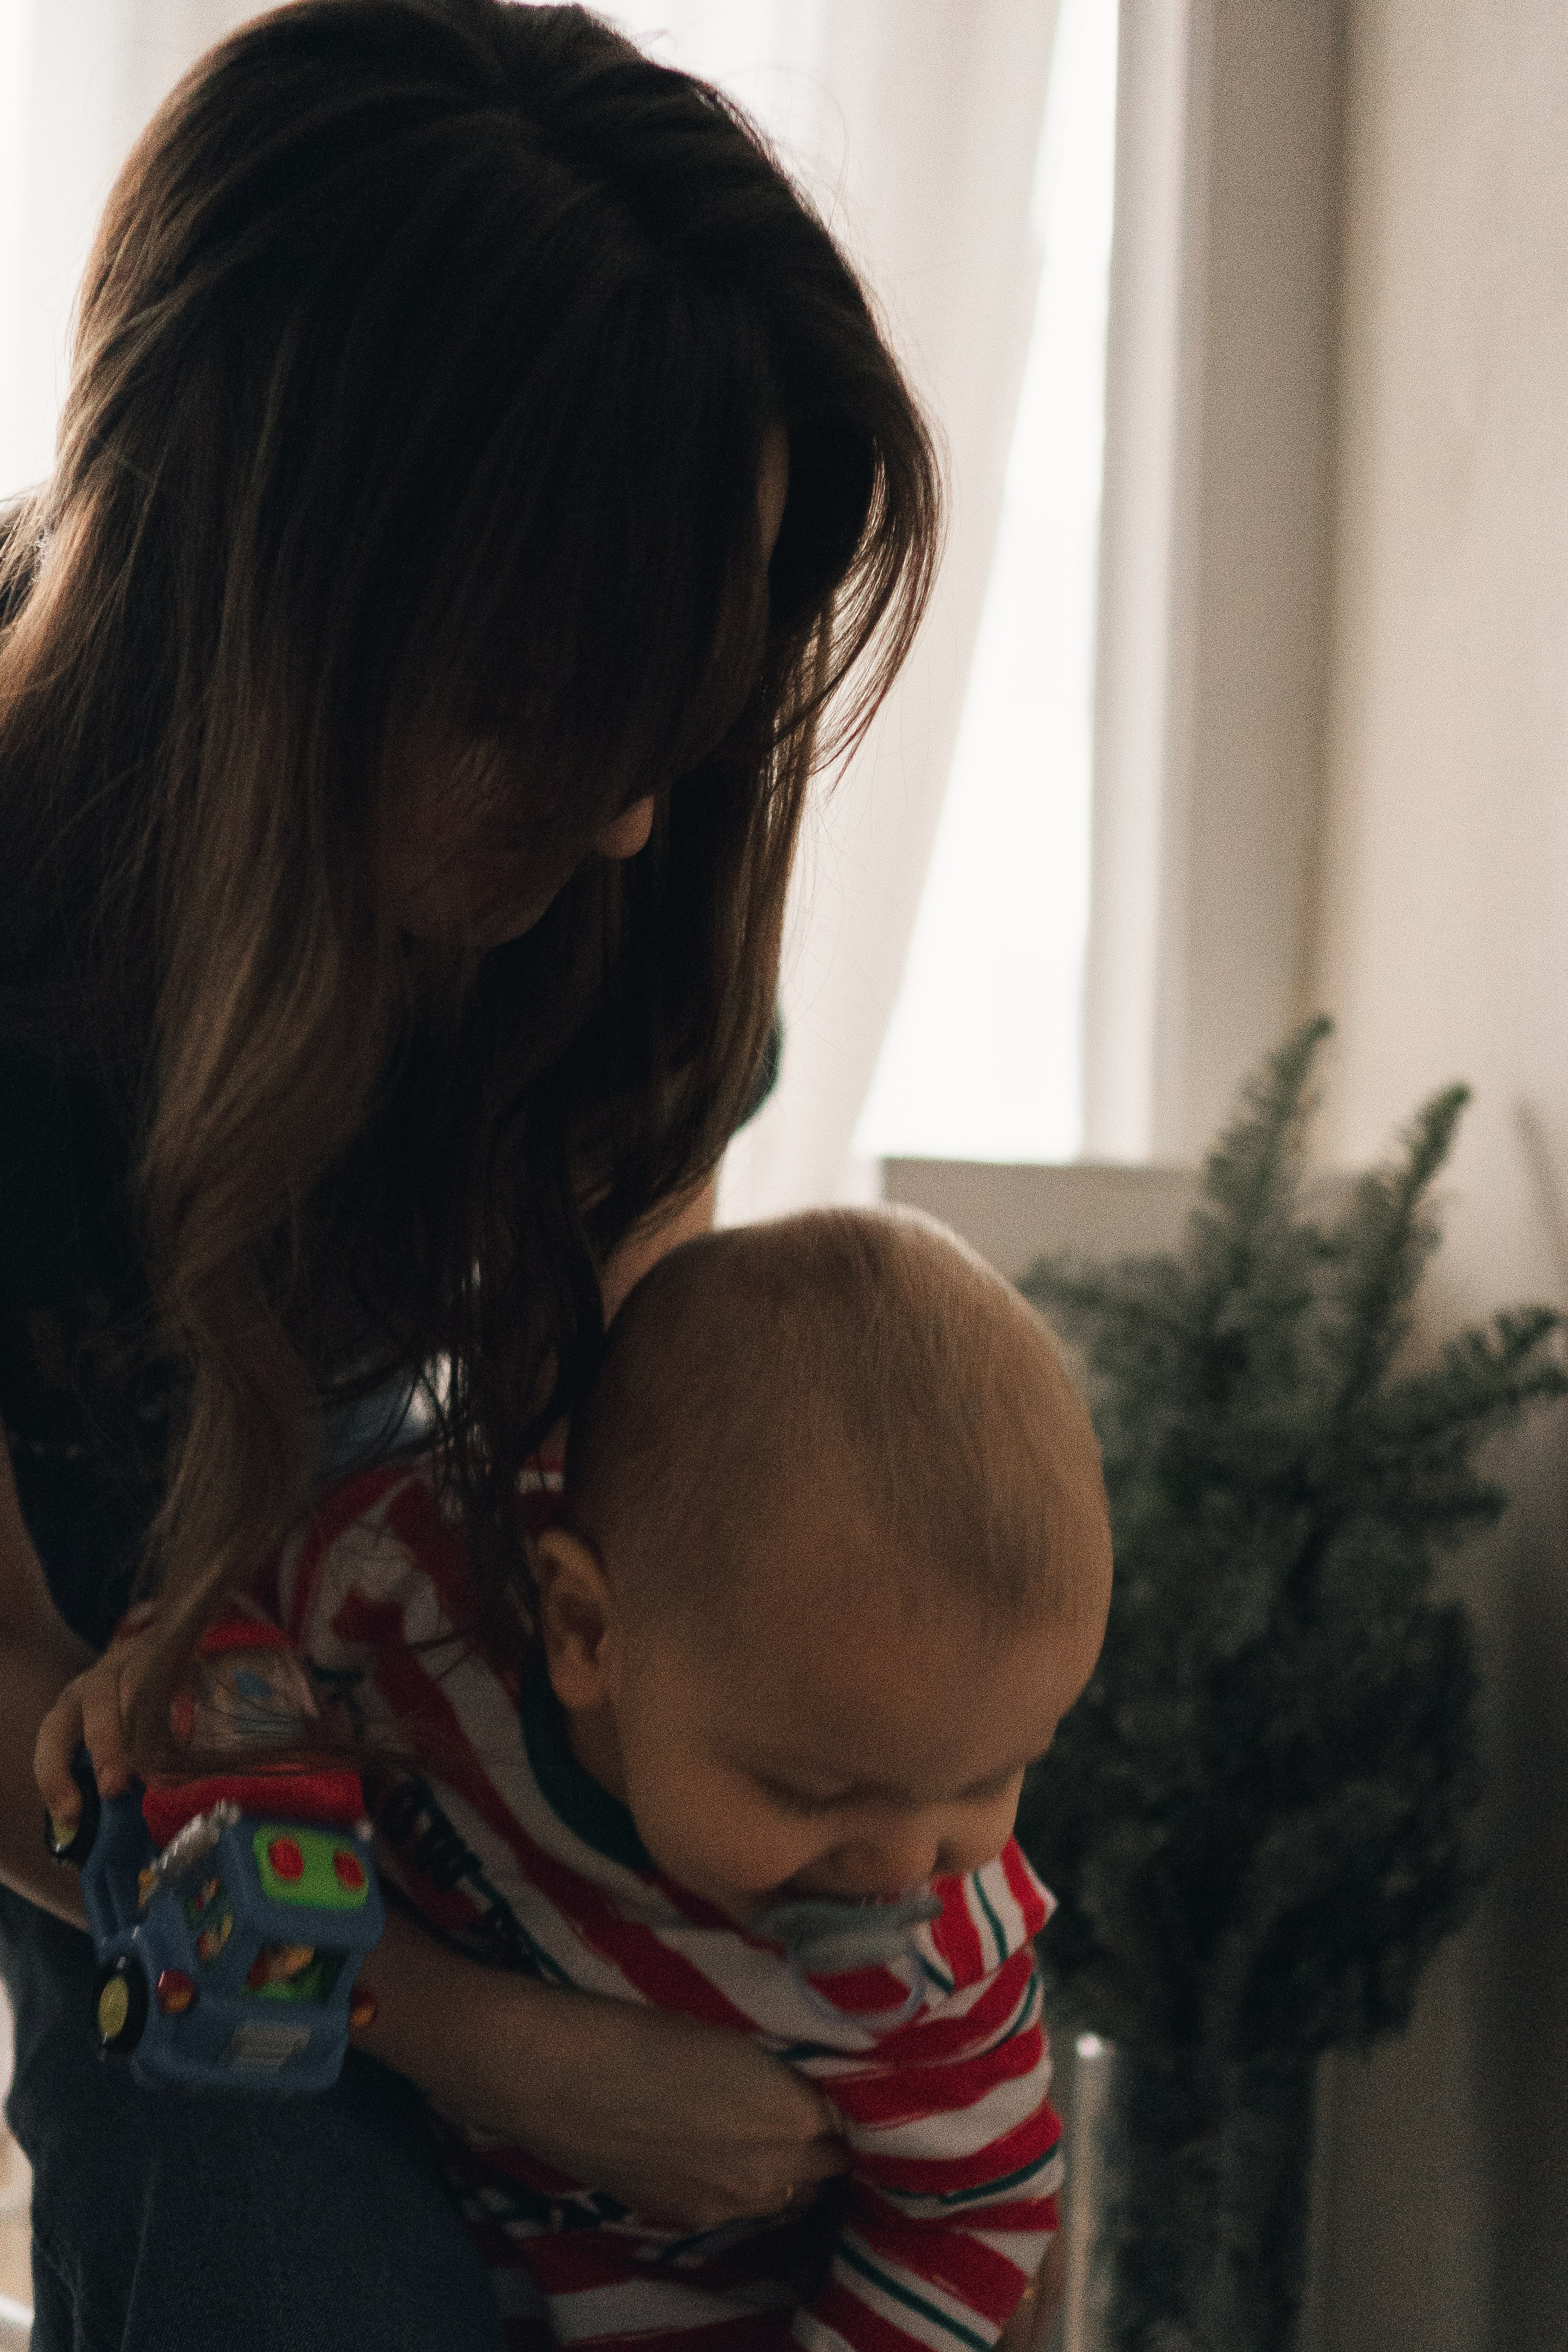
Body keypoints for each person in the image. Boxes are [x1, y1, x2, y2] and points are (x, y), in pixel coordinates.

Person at [0, 2, 943, 2344]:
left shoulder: (613, 881)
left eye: (679, 706)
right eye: (543, 705)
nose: (632, 817)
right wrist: (487, 2034)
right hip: (79, 1682)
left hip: (371, 1650)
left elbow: (628, 1528)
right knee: (247, 2131)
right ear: (266, 609)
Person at [267, 1206, 1114, 2348]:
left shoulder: (929, 1971)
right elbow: (234, 1632)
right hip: (403, 2217)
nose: (911, 1866)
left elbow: (974, 2214)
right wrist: (162, 1678)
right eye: (816, 1793)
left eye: (992, 1781)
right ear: (586, 1632)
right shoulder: (411, 1591)